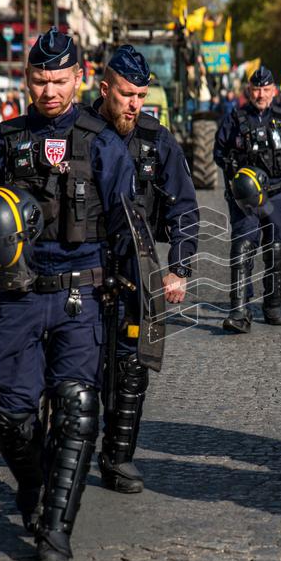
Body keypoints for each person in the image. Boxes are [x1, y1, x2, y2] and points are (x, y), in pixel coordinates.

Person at [0, 28, 137, 561]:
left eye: (58, 80)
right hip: (20, 296)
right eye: (39, 80)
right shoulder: (1, 142)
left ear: (79, 77)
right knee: (8, 416)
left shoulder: (103, 142)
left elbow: (128, 233)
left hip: (84, 295)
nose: (48, 91)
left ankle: (55, 530)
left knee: (78, 410)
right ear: (26, 78)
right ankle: (33, 484)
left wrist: (134, 317)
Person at [89, 44, 199, 493]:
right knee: (78, 370)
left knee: (132, 369)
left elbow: (184, 206)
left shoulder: (157, 140)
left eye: (141, 96)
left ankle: (117, 458)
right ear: (104, 88)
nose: (134, 104)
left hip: (138, 270)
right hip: (85, 267)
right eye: (126, 94)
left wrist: (180, 267)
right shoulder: (78, 132)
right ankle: (67, 451)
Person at [214, 65, 281, 333]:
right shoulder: (235, 118)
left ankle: (273, 305)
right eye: (256, 89)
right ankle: (239, 311)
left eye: (266, 89)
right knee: (243, 246)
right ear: (248, 91)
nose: (261, 94)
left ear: (274, 91)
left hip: (276, 195)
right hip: (246, 199)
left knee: (275, 248)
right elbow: (218, 151)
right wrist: (234, 171)